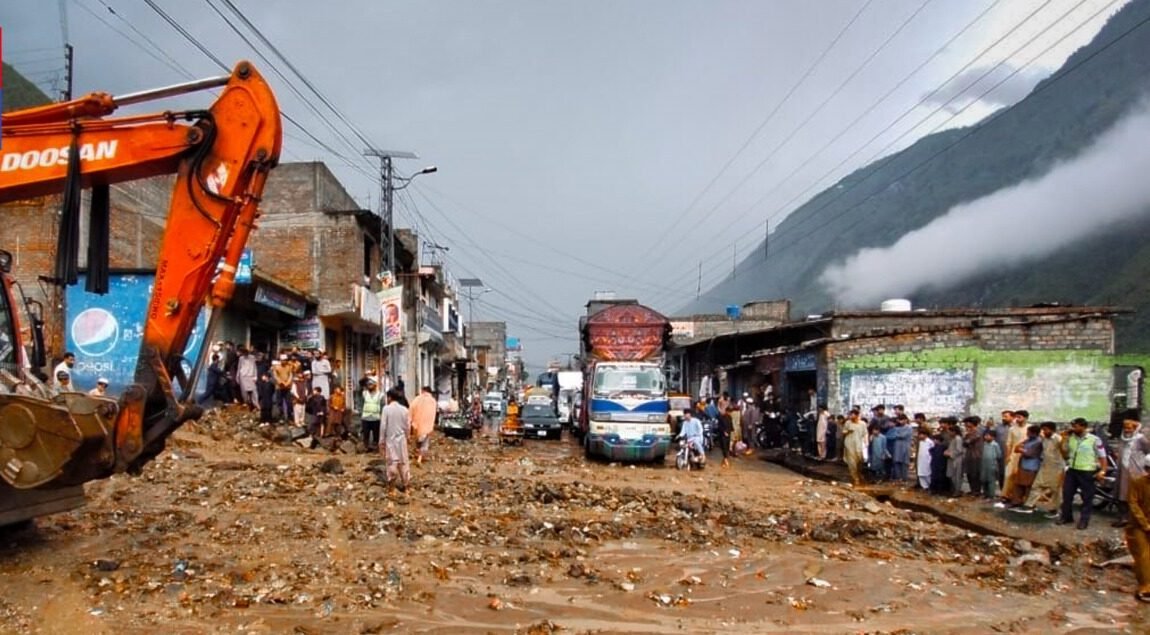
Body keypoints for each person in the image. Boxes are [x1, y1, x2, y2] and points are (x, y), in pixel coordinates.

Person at [1058, 417, 1109, 529]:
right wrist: (1063, 439)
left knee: (1087, 497)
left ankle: (1084, 520)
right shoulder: (1071, 438)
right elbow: (1065, 455)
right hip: (1072, 470)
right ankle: (1066, 517)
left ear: (1083, 426)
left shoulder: (1094, 440)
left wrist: (1103, 470)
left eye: (1075, 426)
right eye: (1073, 426)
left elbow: (1102, 456)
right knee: (1067, 495)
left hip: (1087, 471)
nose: (1073, 428)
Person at [1115, 414, 1150, 528]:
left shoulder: (1140, 439)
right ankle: (1123, 518)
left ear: (1134, 428)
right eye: (1125, 427)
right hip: (1123, 470)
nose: (1127, 430)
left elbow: (1147, 451)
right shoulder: (1123, 437)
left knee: (1134, 496)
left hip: (1136, 471)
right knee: (1122, 494)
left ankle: (1136, 519)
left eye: (1129, 428)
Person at [1025, 422, 1066, 517]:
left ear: (1052, 430)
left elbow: (1065, 452)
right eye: (1043, 430)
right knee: (1036, 485)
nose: (1044, 431)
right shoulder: (1044, 439)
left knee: (1056, 490)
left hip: (1057, 467)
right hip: (1045, 465)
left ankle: (1054, 510)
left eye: (1046, 429)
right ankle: (1029, 506)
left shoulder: (1058, 439)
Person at [1125, 454, 1150, 603]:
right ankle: (1145, 587)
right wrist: (1145, 524)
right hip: (1138, 526)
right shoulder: (1137, 483)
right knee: (1142, 556)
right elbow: (1133, 504)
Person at [379, 388, 412, 493]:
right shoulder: (405, 410)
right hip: (402, 440)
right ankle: (406, 487)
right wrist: (408, 437)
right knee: (404, 463)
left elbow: (383, 426)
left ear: (389, 397)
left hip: (390, 440)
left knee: (391, 463)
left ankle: (392, 488)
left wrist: (381, 441)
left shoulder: (386, 409)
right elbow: (408, 426)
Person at [1006, 425, 1042, 510]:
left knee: (1029, 486)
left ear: (1034, 433)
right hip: (1023, 465)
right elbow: (1016, 448)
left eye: (1028, 432)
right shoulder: (1027, 440)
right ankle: (1016, 502)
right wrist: (1021, 449)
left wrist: (1021, 450)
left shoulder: (1038, 442)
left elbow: (1029, 454)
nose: (1027, 434)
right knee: (1018, 484)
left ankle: (1029, 504)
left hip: (1031, 467)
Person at [410, 386, 437, 466]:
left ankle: (418, 456)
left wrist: (411, 421)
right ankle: (419, 459)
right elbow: (434, 414)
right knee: (425, 443)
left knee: (418, 442)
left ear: (422, 391)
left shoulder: (416, 399)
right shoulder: (432, 401)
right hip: (427, 426)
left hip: (417, 426)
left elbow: (411, 409)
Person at [842, 409, 867, 486]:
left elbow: (865, 433)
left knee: (860, 461)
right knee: (851, 463)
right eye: (850, 415)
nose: (851, 416)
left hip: (859, 445)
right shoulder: (848, 423)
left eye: (852, 415)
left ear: (857, 415)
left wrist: (866, 443)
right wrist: (848, 431)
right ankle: (855, 478)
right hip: (849, 445)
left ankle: (860, 476)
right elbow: (843, 431)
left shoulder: (862, 424)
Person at [885, 416, 913, 482]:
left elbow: (902, 436)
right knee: (896, 462)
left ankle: (904, 478)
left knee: (905, 463)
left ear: (906, 420)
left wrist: (897, 435)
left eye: (902, 420)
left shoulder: (909, 428)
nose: (901, 421)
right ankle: (898, 478)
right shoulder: (897, 428)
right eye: (900, 420)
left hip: (905, 447)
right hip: (897, 447)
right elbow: (892, 435)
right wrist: (897, 435)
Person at [962, 417, 985, 497]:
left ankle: (976, 491)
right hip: (969, 455)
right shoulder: (969, 432)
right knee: (969, 473)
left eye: (967, 423)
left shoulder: (978, 432)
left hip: (976, 455)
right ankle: (972, 490)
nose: (965, 425)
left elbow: (967, 442)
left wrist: (966, 437)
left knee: (975, 474)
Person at [360, 378, 384, 451]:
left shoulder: (380, 395)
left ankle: (375, 447)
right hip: (366, 417)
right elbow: (361, 404)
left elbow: (382, 406)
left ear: (375, 385)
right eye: (368, 385)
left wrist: (382, 416)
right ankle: (366, 447)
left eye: (371, 384)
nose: (369, 386)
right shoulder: (364, 393)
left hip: (376, 418)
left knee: (376, 435)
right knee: (365, 434)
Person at [944, 418, 965, 496]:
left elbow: (959, 450)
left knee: (956, 476)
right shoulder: (953, 439)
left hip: (956, 460)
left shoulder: (958, 439)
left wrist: (950, 454)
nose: (949, 433)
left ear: (954, 432)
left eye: (950, 431)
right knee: (952, 475)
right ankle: (954, 490)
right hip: (952, 459)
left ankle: (957, 491)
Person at [981, 429, 1003, 499]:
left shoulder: (995, 445)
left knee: (991, 480)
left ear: (993, 437)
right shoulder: (984, 444)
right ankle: (985, 494)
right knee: (984, 479)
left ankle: (991, 495)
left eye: (988, 436)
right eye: (985, 436)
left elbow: (999, 455)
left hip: (992, 464)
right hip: (984, 464)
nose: (986, 437)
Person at [273, 356, 294, 423]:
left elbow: (291, 375)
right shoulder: (277, 367)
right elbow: (275, 375)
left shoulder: (289, 366)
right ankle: (281, 417)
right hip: (279, 387)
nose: (284, 361)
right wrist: (281, 382)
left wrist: (287, 383)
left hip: (287, 387)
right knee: (279, 402)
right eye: (282, 360)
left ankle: (289, 417)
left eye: (285, 360)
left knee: (289, 402)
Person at [237, 346, 258, 410]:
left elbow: (254, 367)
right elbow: (239, 367)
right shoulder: (241, 358)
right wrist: (237, 376)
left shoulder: (252, 357)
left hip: (250, 376)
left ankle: (255, 404)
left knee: (253, 390)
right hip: (243, 376)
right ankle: (248, 403)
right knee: (244, 392)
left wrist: (255, 376)